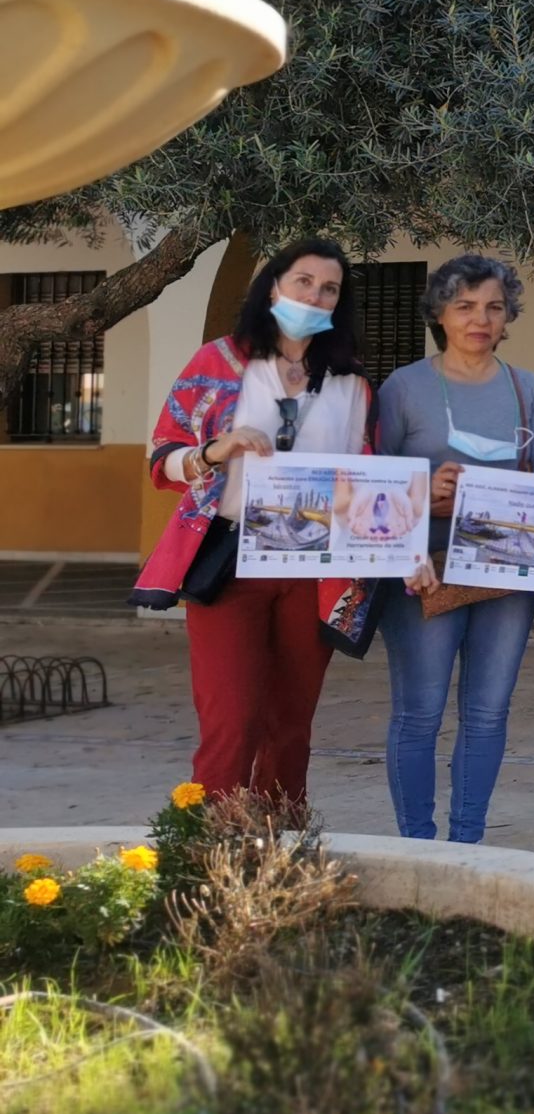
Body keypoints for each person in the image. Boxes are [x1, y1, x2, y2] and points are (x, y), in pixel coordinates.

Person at [136, 238, 374, 808]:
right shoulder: (217, 363)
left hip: (313, 567)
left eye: (329, 288)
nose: (315, 295)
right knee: (232, 721)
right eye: (304, 281)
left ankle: (281, 858)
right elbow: (163, 458)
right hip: (230, 561)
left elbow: (366, 476)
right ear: (273, 286)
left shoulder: (352, 383)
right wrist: (215, 451)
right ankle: (205, 854)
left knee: (291, 725)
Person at [376, 255, 534, 845]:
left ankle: (468, 843)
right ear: (439, 313)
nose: (479, 319)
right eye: (464, 306)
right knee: (420, 713)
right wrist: (421, 488)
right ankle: (417, 842)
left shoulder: (526, 387)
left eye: (493, 306)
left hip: (506, 573)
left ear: (509, 314)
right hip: (423, 574)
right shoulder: (404, 386)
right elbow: (371, 481)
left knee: (488, 714)